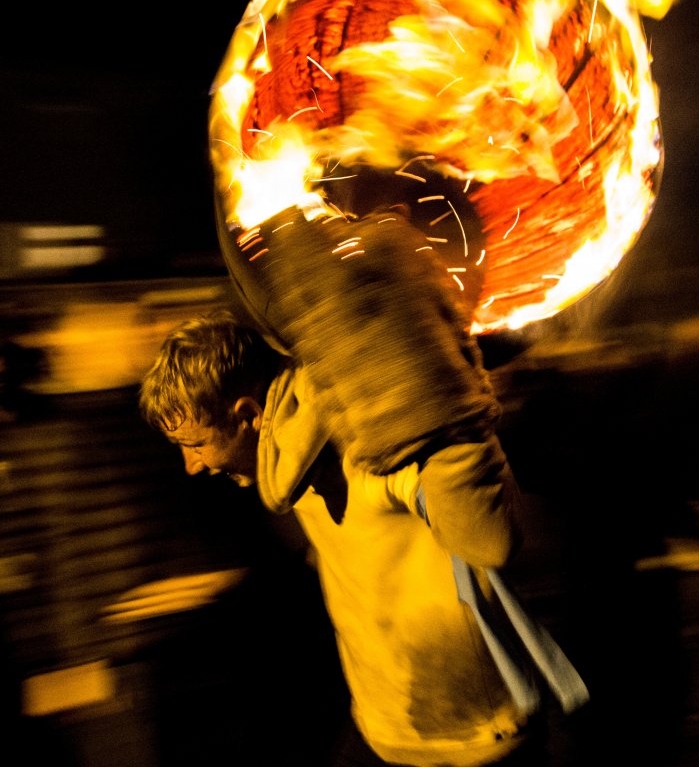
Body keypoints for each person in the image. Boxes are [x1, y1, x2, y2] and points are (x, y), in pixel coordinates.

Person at [138, 305, 573, 767]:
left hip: (474, 742)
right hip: (383, 725)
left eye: (194, 443)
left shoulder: (363, 448)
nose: (192, 465)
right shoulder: (284, 463)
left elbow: (492, 540)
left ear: (248, 414)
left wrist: (448, 413)